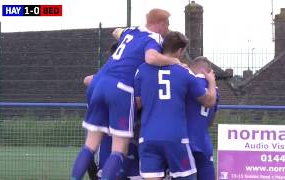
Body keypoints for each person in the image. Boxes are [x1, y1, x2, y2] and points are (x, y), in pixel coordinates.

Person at [71, 8, 179, 180]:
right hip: (120, 88)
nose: (168, 29)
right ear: (161, 24)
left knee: (89, 146)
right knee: (119, 148)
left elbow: (116, 31)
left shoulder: (131, 31)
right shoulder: (154, 38)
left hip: (98, 83)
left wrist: (124, 39)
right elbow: (151, 58)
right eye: (168, 25)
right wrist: (175, 61)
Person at [134, 31, 217, 180]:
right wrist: (211, 82)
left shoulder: (141, 70)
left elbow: (137, 103)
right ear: (179, 51)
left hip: (147, 137)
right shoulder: (184, 72)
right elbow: (209, 101)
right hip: (175, 138)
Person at [186, 56, 220, 180]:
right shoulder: (215, 90)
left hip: (186, 141)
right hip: (204, 143)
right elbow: (210, 121)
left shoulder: (188, 83)